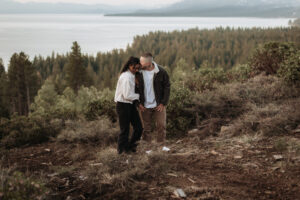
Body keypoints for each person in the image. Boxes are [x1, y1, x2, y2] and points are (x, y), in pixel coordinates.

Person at [135, 53, 170, 144]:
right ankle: (147, 148)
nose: (139, 64)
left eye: (141, 63)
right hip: (144, 105)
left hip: (158, 105)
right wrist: (138, 103)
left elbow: (167, 86)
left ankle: (161, 146)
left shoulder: (161, 71)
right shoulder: (138, 72)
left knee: (161, 126)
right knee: (146, 129)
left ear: (149, 63)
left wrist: (163, 103)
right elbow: (133, 88)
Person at [114, 56, 143, 154]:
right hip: (123, 105)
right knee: (125, 130)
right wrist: (139, 96)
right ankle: (121, 151)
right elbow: (127, 95)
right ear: (129, 66)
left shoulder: (131, 75)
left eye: (137, 68)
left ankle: (130, 148)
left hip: (129, 105)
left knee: (138, 128)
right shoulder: (126, 77)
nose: (136, 70)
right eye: (134, 68)